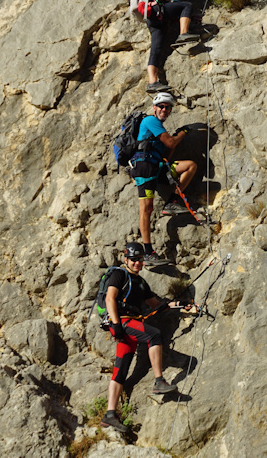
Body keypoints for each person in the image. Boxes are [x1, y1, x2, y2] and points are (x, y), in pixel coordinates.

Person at [101, 242, 189, 432]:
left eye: (140, 259)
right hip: (123, 322)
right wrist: (116, 324)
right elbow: (110, 298)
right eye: (133, 260)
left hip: (129, 328)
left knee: (121, 370)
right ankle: (159, 381)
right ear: (126, 259)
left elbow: (157, 304)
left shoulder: (141, 283)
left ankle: (109, 415)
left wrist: (182, 305)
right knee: (154, 335)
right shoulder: (119, 274)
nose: (137, 263)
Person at [129, 92, 197, 266]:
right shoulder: (150, 121)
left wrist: (172, 145)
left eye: (168, 107)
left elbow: (167, 151)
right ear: (154, 108)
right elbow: (171, 143)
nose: (164, 109)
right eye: (161, 106)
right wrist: (183, 133)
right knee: (146, 208)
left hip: (157, 167)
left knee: (190, 166)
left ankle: (173, 201)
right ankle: (147, 251)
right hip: (144, 168)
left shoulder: (159, 127)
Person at [140, 0, 200, 93]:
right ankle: (183, 34)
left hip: (154, 15)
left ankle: (152, 82)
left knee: (157, 48)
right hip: (157, 10)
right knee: (186, 6)